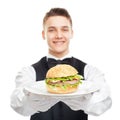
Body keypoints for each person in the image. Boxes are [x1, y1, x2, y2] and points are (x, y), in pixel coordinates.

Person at [10, 7, 112, 120]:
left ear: (71, 33)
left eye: (64, 29)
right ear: (44, 34)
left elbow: (105, 103)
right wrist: (31, 102)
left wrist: (86, 103)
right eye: (52, 30)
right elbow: (18, 105)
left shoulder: (90, 71)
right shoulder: (28, 72)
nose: (59, 35)